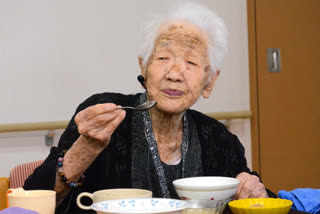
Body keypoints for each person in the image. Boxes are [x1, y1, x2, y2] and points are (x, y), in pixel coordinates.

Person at [24, 2, 276, 213]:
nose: (175, 74)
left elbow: (260, 201)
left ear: (209, 81)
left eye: (190, 61)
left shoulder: (220, 141)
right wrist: (84, 150)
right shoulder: (102, 115)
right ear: (143, 67)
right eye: (163, 58)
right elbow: (30, 204)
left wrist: (253, 192)